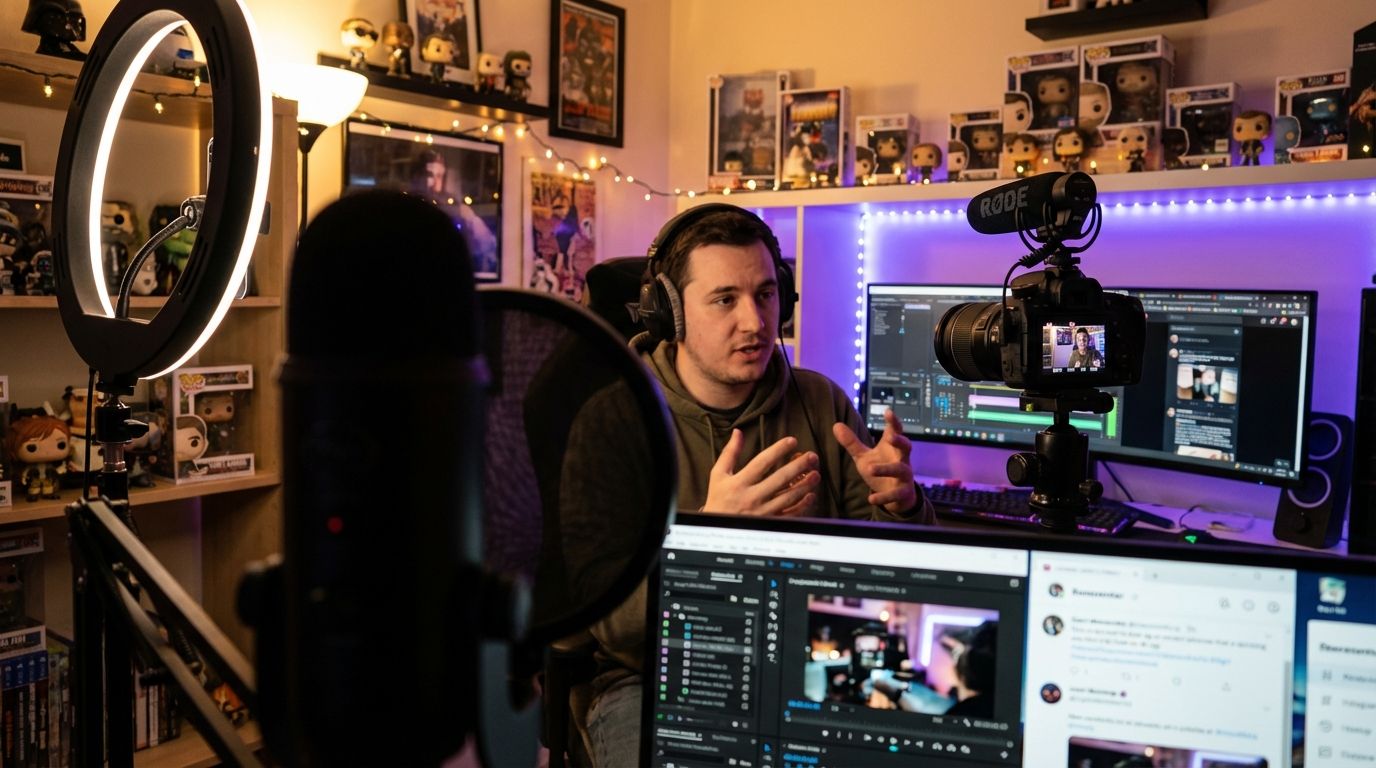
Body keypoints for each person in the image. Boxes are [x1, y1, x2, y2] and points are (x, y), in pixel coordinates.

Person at [580, 204, 934, 767]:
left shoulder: (822, 402)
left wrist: (903, 507)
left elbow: (888, 585)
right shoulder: (615, 420)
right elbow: (615, 626)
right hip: (656, 676)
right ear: (670, 313)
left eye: (766, 294)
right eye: (725, 299)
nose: (755, 321)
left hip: (804, 659)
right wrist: (710, 538)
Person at [410, 149, 498, 275]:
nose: (436, 183)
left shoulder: (456, 207)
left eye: (439, 176)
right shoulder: (407, 206)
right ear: (417, 177)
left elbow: (488, 247)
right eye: (430, 175)